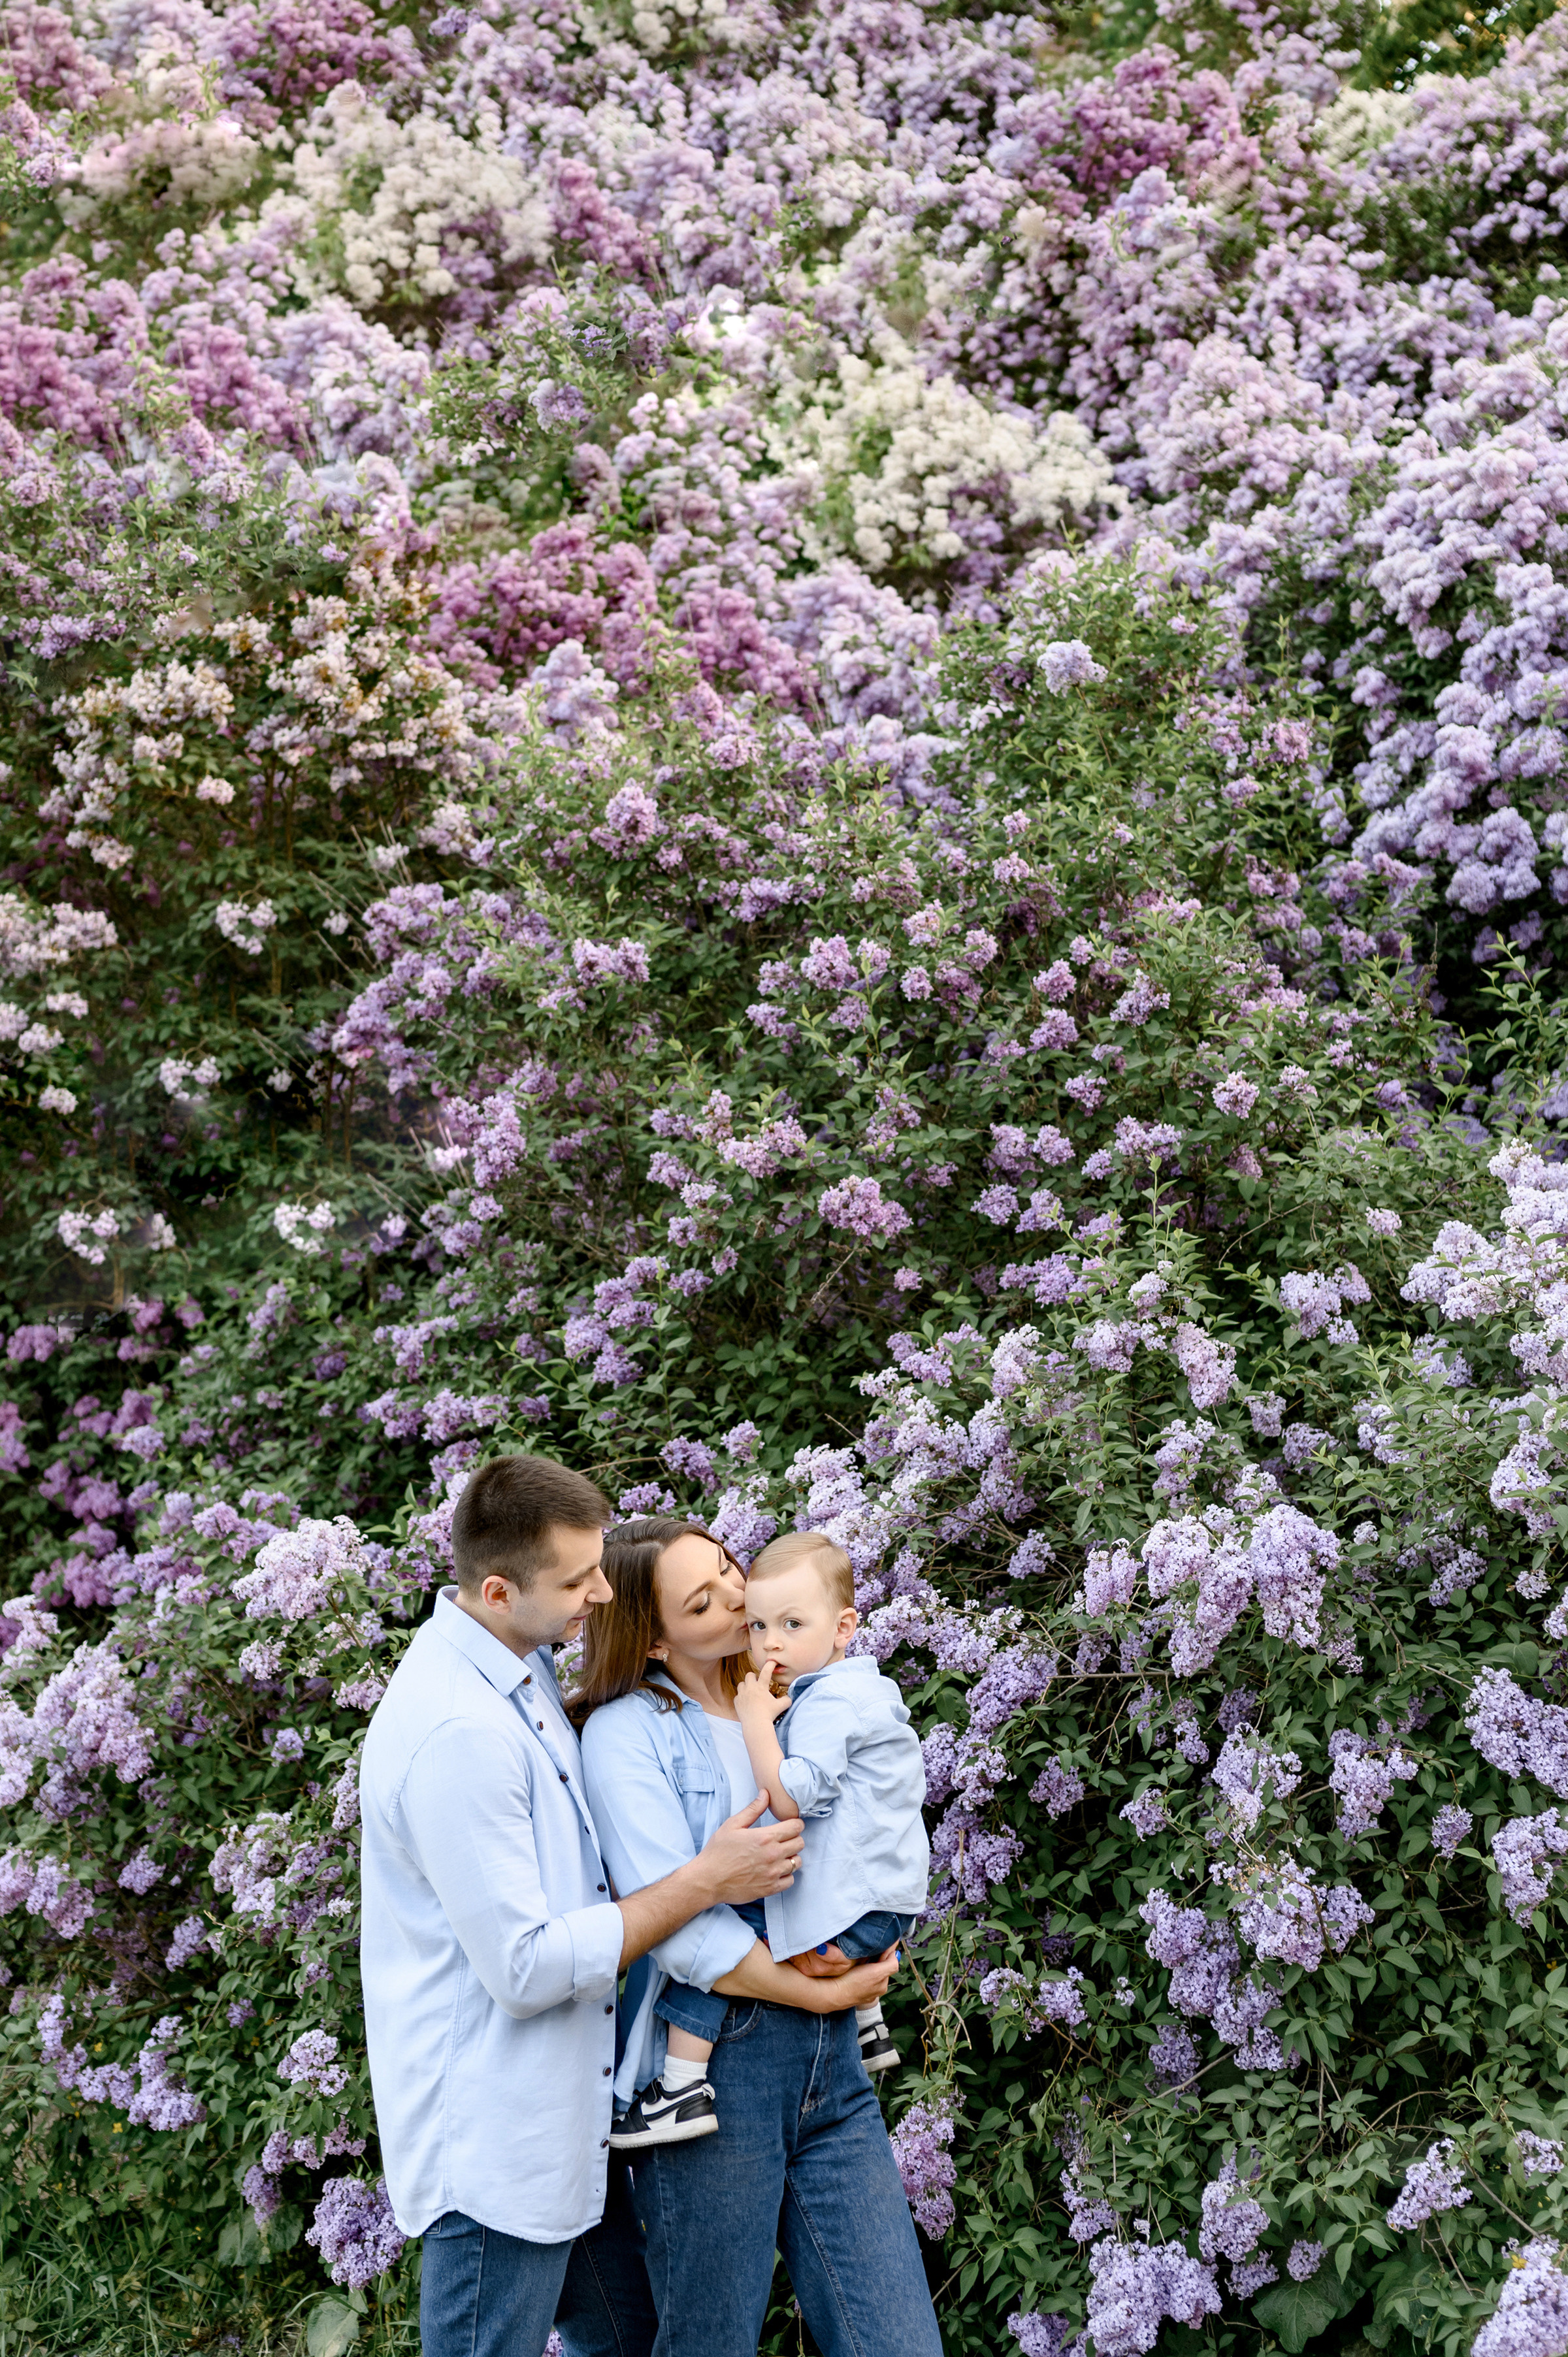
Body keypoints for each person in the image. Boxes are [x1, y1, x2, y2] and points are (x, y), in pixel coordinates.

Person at [358, 1457, 808, 2357]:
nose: (603, 1592)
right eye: (577, 1579)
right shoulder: (459, 1732)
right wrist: (706, 1880)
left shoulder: (516, 1673)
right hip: (498, 2146)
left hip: (568, 2125)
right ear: (496, 1589)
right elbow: (524, 1968)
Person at [576, 1516, 945, 2357]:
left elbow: (864, 1832)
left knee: (895, 2340)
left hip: (833, 2064)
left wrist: (865, 1948)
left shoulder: (798, 1689)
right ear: (657, 1640)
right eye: (702, 1601)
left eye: (730, 1569)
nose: (738, 1598)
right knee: (712, 2343)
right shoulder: (628, 1734)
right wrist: (820, 1989)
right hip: (719, 2077)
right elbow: (678, 1932)